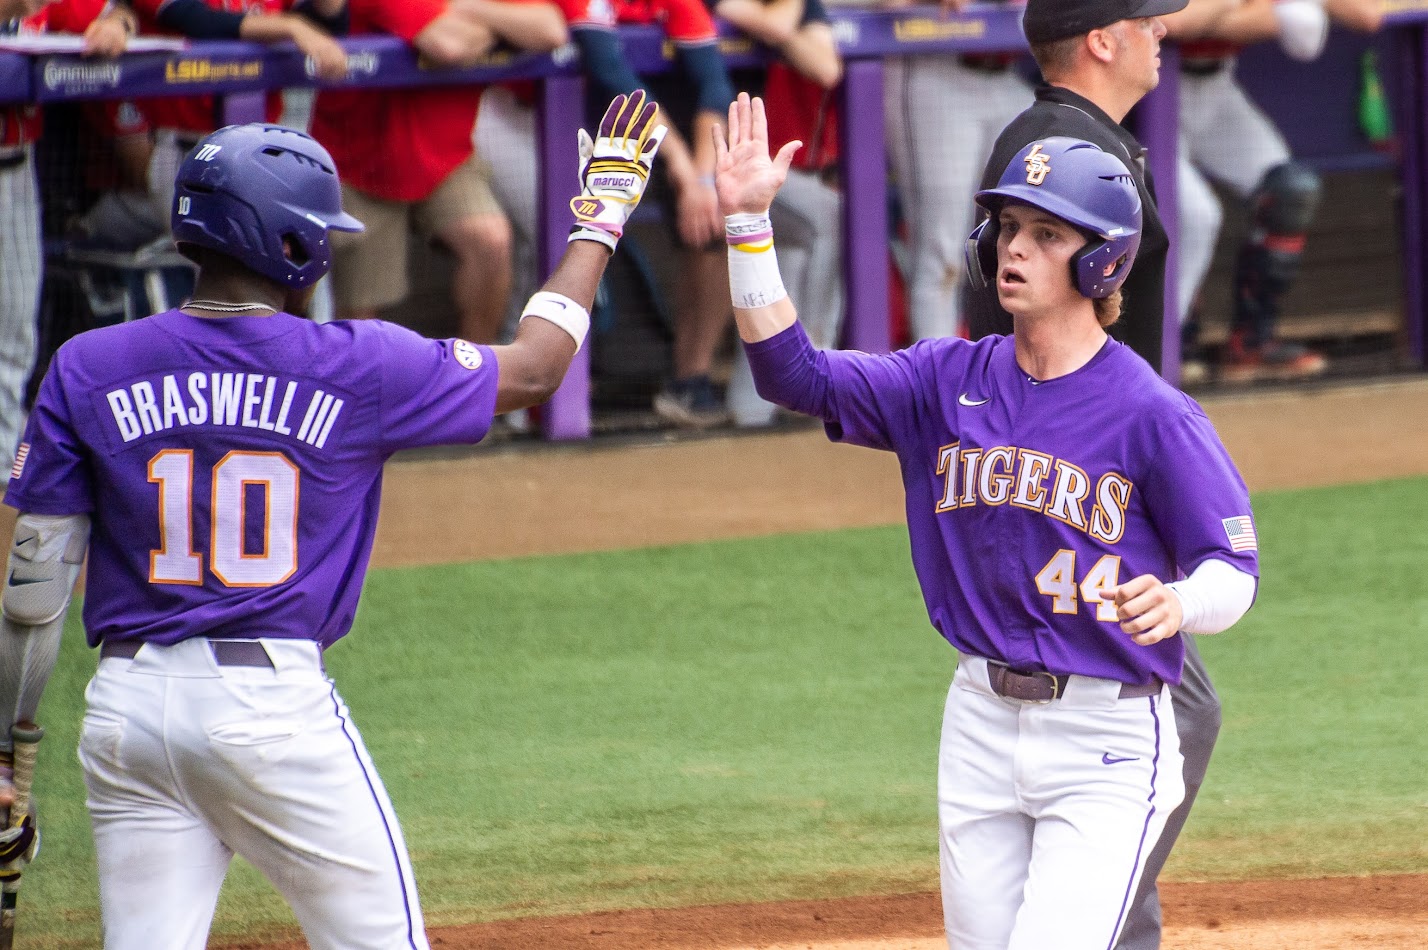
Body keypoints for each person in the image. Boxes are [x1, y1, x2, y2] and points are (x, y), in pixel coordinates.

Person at [0, 92, 665, 949]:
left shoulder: (88, 365)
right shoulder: (357, 365)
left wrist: (8, 749)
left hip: (126, 714)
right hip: (269, 714)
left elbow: (32, 593)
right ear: (290, 244)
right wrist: (603, 213)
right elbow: (536, 369)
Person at [715, 94, 1260, 949]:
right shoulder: (942, 380)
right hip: (976, 719)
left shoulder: (1153, 414)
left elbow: (1233, 573)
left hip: (1107, 736)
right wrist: (749, 225)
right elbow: (794, 376)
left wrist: (1181, 604)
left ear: (1103, 262)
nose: (1013, 248)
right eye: (1008, 226)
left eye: (1047, 234)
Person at [962, 5, 1247, 945]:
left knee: (1176, 711)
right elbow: (1017, 327)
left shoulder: (1089, 138)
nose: (1162, 30)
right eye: (1143, 18)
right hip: (1078, 481)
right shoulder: (1055, 146)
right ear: (1100, 38)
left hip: (1110, 469)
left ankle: (1108, 915)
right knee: (1179, 709)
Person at [311, 0, 567, 344]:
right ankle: (364, 395)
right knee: (360, 318)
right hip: (359, 163)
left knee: (490, 241)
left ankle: (474, 380)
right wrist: (500, 30)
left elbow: (551, 30)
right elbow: (448, 45)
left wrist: (465, 8)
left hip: (446, 159)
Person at [1175, 0, 1384, 383]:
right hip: (1148, 89)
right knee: (1188, 212)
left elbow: (1366, 15)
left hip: (1215, 87)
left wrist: (1233, 16)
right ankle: (1169, 342)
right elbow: (1171, 22)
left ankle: (1250, 342)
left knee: (1290, 189)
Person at [0, 0, 133, 476]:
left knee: (13, 334)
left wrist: (114, 25)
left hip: (14, 168)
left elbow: (110, 15)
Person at [711, 0, 843, 427]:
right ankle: (818, 372)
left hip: (767, 170)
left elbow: (826, 67)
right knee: (825, 220)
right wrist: (777, 24)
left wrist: (777, 28)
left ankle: (753, 408)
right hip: (713, 160)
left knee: (786, 255)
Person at [884, 0, 1034, 342]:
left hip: (1009, 74)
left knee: (1017, 236)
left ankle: (1011, 376)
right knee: (942, 249)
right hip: (935, 66)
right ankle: (935, 385)